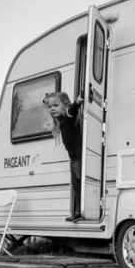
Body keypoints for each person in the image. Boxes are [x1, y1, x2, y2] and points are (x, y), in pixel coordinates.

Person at [44, 92, 84, 221]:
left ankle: (80, 212)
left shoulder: (68, 118)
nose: (52, 109)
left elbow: (72, 111)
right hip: (74, 159)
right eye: (50, 107)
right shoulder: (61, 121)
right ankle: (78, 211)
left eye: (56, 105)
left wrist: (77, 102)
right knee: (76, 185)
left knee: (79, 185)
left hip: (78, 157)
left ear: (65, 105)